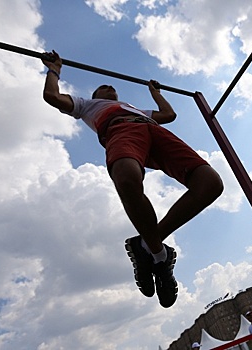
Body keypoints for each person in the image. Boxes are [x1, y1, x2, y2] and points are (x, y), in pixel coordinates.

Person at [41, 50, 224, 308]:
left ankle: (147, 246)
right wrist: (54, 70)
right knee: (126, 178)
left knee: (211, 184)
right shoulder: (86, 105)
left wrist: (155, 92)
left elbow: (169, 116)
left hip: (151, 129)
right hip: (121, 129)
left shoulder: (136, 107)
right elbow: (52, 96)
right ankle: (159, 254)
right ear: (95, 97)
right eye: (103, 87)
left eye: (112, 87)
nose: (109, 87)